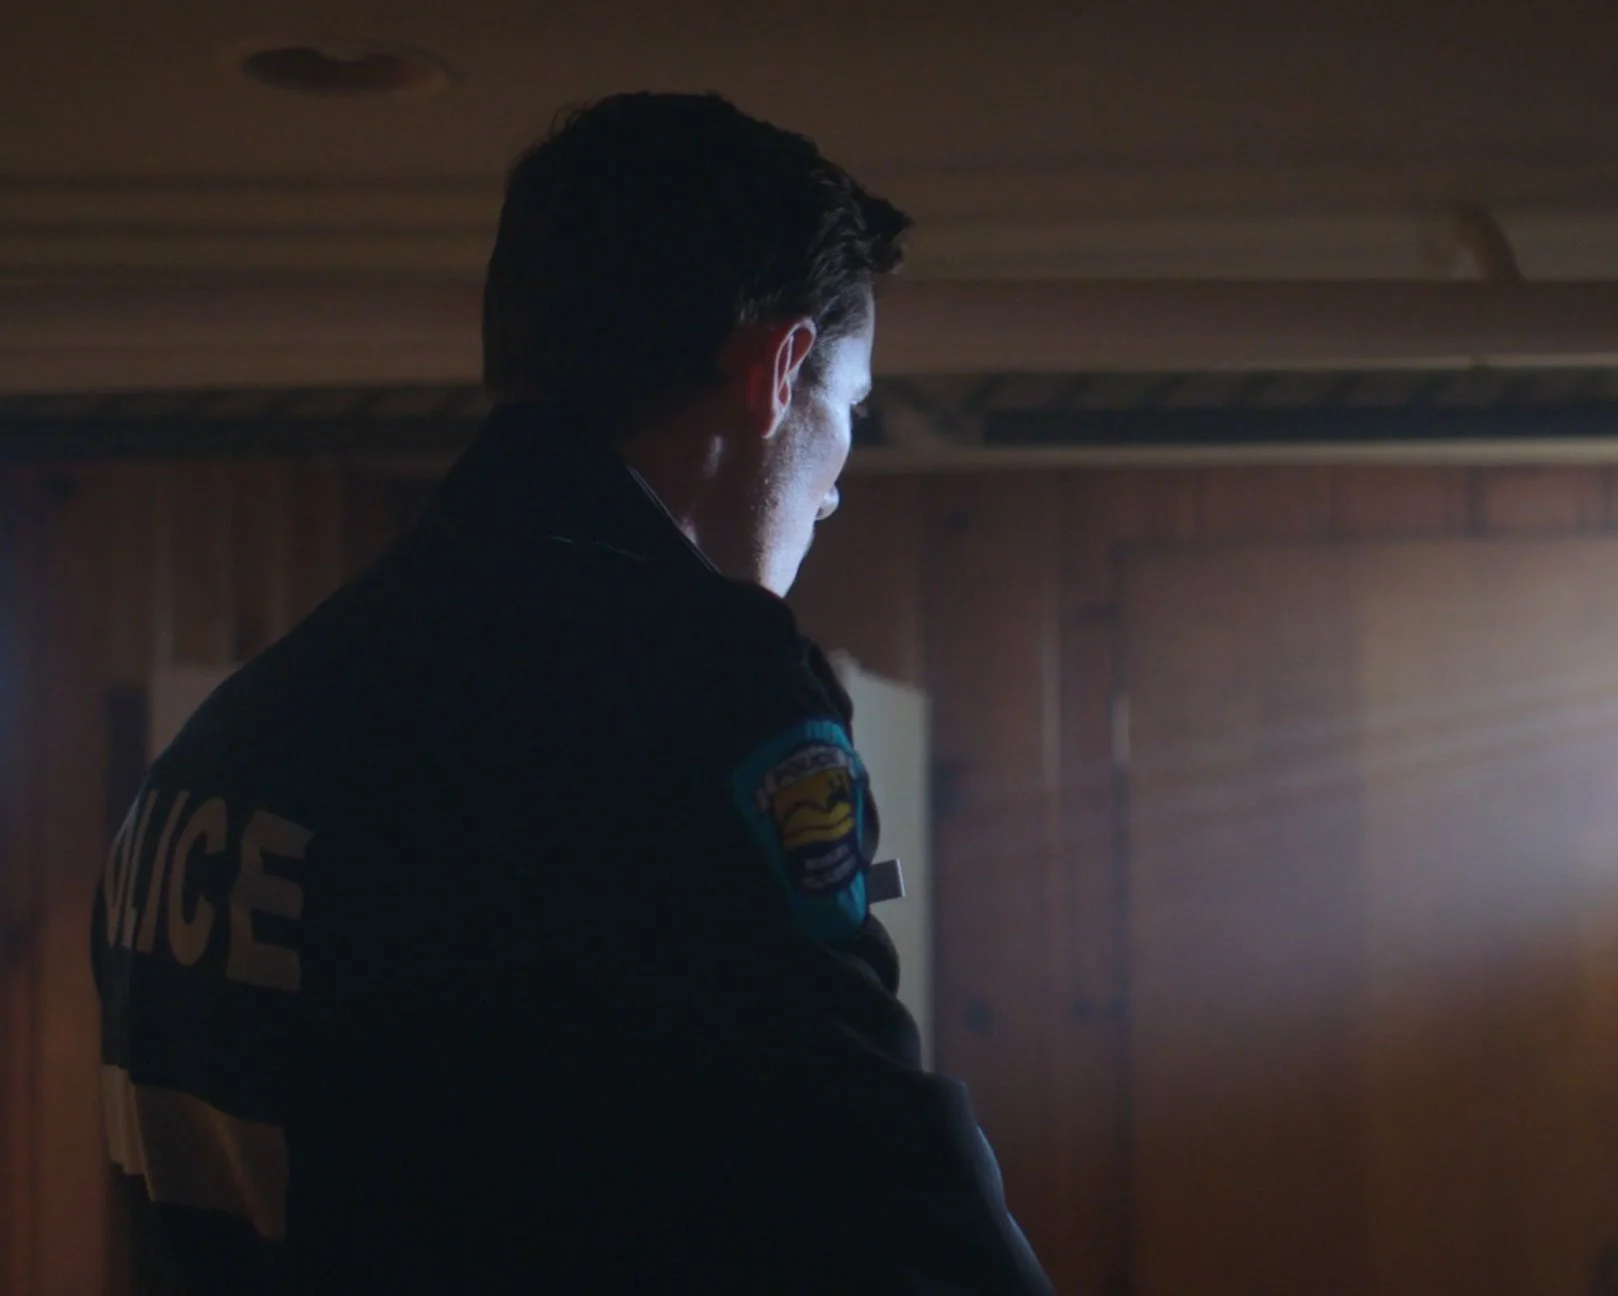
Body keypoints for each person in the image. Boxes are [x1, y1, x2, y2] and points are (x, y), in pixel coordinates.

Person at [91, 93, 1052, 1294]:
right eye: (850, 410)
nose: (837, 486)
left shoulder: (232, 741)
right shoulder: (690, 694)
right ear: (778, 369)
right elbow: (879, 1187)